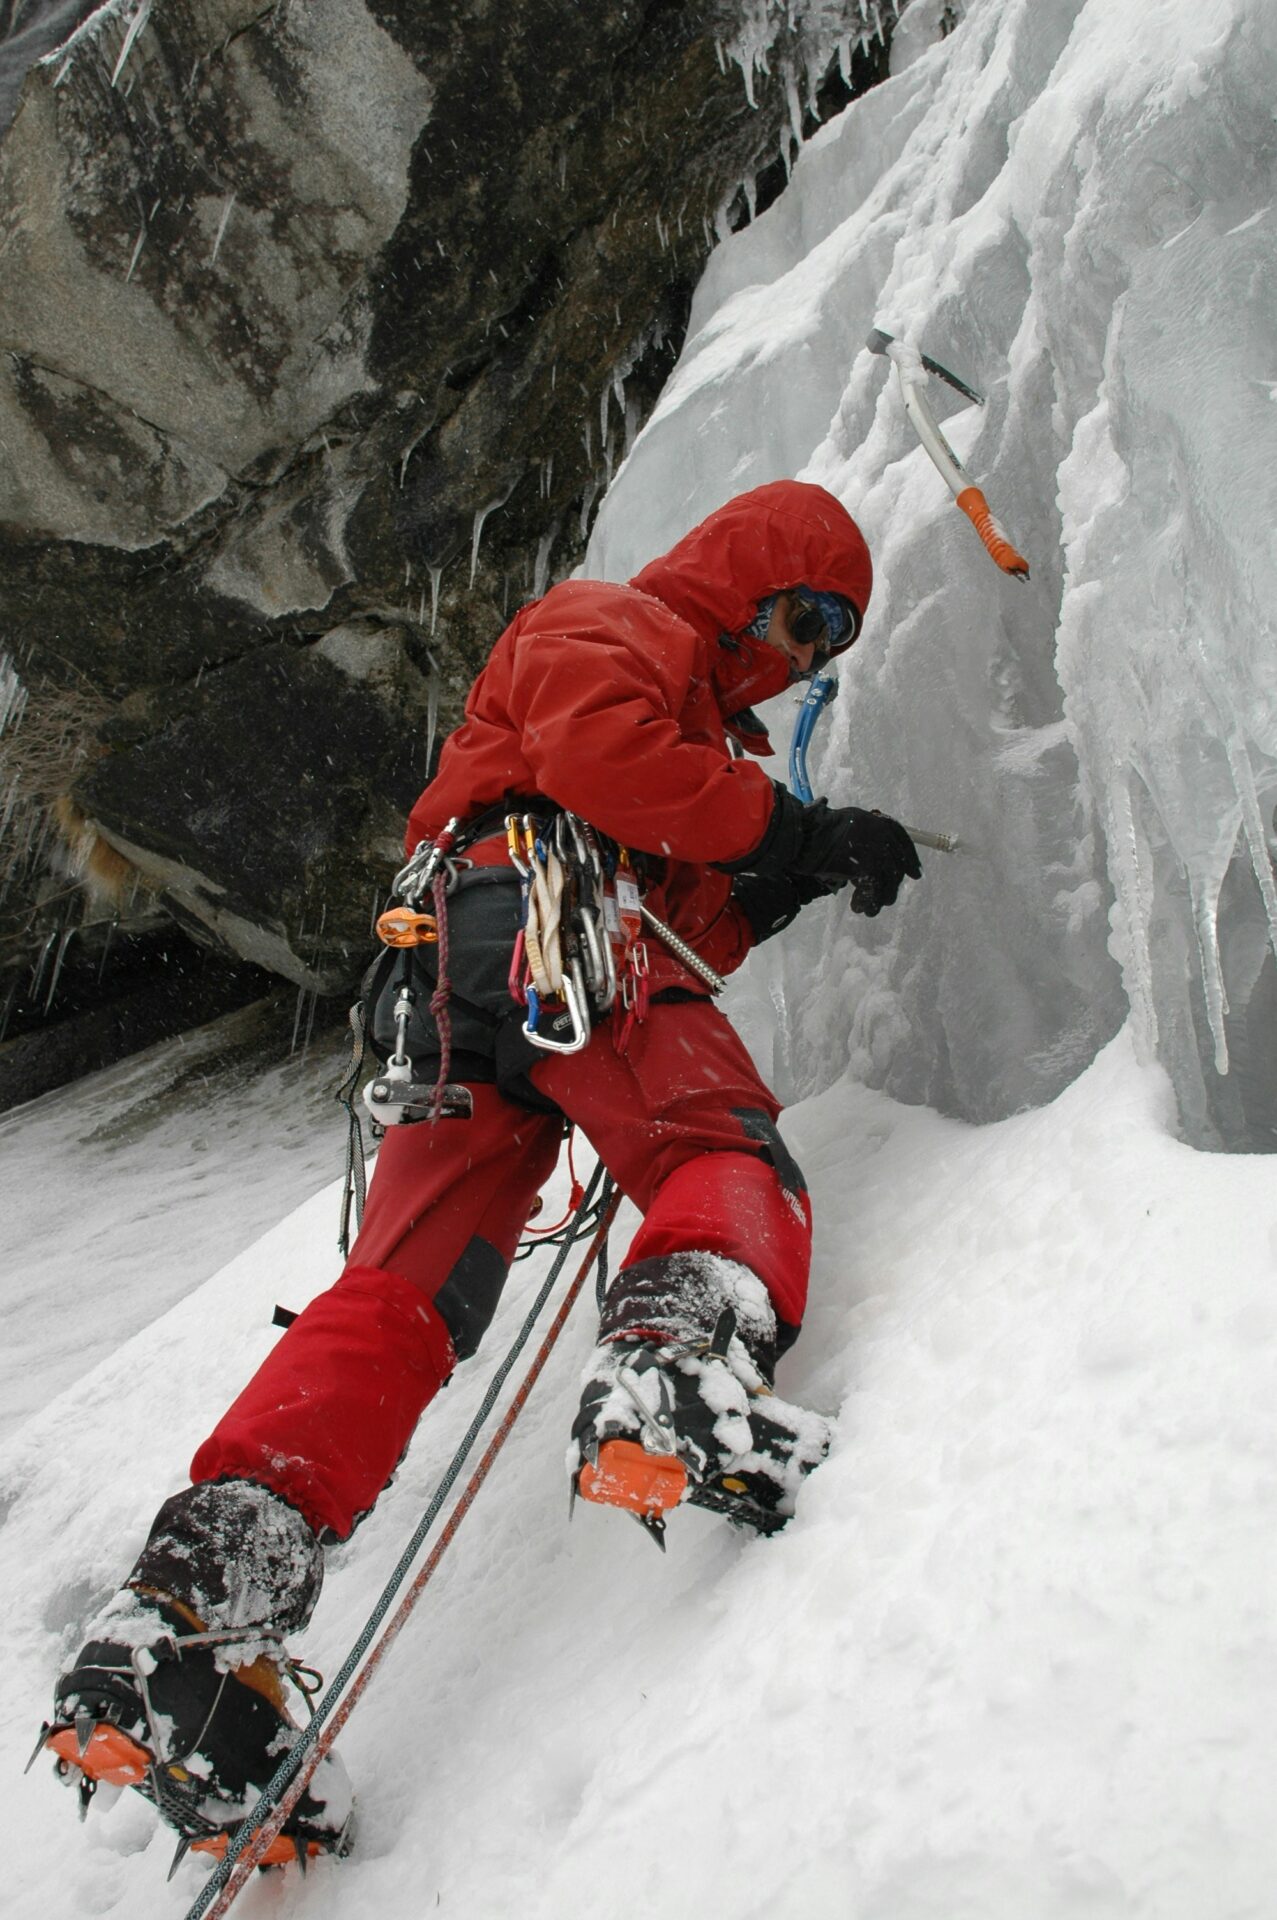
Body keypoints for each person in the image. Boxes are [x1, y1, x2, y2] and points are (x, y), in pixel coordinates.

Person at [36, 480, 920, 1865]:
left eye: (830, 641)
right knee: (714, 1150)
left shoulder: (683, 714)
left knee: (404, 1295)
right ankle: (675, 1362)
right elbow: (602, 766)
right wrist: (784, 827)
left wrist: (780, 878)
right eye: (804, 614)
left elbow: (685, 915)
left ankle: (191, 1623)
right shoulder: (610, 617)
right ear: (739, 573)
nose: (806, 655)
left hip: (460, 985)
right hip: (543, 925)